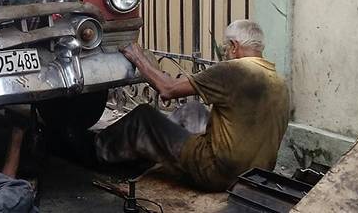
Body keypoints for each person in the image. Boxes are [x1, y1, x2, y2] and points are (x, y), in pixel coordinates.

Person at [94, 20, 289, 192]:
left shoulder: (233, 70)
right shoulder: (279, 82)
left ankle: (94, 150)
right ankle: (151, 152)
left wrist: (137, 57)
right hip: (256, 176)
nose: (225, 53)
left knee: (143, 117)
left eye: (225, 48)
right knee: (193, 108)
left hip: (217, 174)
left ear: (234, 46)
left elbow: (167, 89)